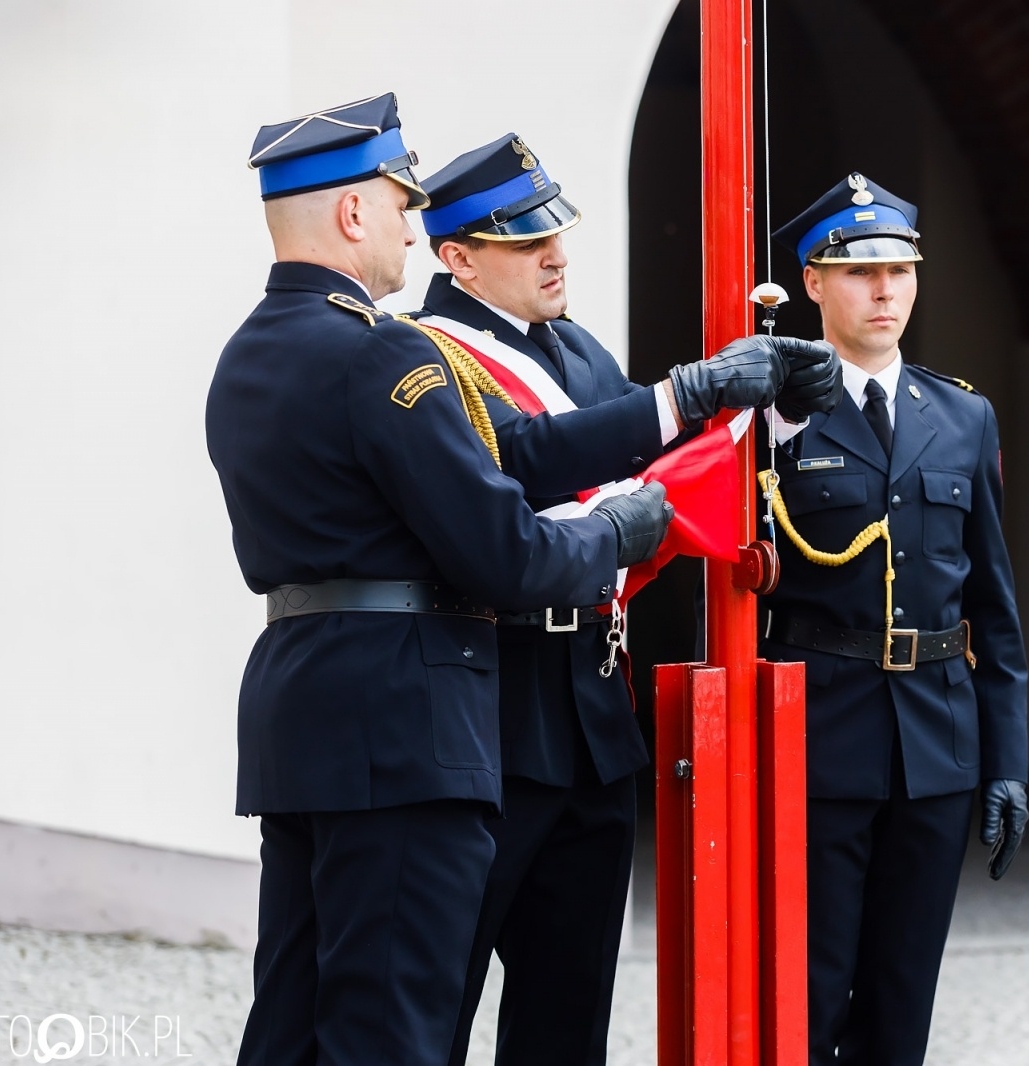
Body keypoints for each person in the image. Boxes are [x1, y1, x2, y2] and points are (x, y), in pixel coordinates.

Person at [205, 95, 674, 1066]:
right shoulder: (384, 354)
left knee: (290, 1022)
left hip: (302, 713)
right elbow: (505, 553)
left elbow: (517, 453)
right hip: (406, 730)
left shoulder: (245, 356)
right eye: (397, 205)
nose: (412, 230)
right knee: (392, 1032)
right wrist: (617, 530)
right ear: (350, 215)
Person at [407, 132, 840, 1065]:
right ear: (458, 258)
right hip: (491, 706)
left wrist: (778, 407)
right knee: (435, 1005)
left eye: (555, 232)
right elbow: (524, 462)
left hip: (590, 708)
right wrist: (682, 395)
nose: (556, 254)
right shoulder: (425, 359)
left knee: (569, 1015)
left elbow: (668, 466)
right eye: (526, 242)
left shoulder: (579, 354)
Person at [761, 172, 1029, 1066]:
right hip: (821, 743)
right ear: (813, 283)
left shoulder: (961, 415)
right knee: (809, 989)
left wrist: (1007, 763)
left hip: (937, 748)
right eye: (859, 270)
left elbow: (994, 610)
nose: (884, 290)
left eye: (901, 270)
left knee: (902, 995)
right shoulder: (773, 412)